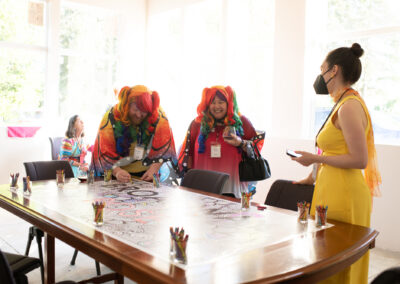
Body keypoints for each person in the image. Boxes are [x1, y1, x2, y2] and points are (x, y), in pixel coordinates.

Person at [291, 43, 381, 284]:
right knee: (325, 255)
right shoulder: (341, 103)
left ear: (334, 71)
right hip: (331, 189)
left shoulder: (349, 106)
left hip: (345, 195)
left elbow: (359, 160)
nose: (320, 75)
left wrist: (315, 158)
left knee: (339, 261)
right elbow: (334, 149)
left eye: (323, 69)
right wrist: (312, 176)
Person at [178, 85, 265, 198]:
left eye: (221, 102)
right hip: (201, 187)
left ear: (229, 104)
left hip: (232, 188)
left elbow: (255, 151)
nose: (216, 106)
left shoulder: (241, 123)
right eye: (212, 102)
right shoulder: (197, 123)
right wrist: (189, 184)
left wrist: (240, 143)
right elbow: (188, 154)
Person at [91, 85, 177, 182]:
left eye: (144, 112)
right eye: (135, 110)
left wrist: (153, 169)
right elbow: (104, 151)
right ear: (127, 106)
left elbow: (164, 148)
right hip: (118, 174)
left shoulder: (158, 114)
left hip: (146, 173)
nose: (139, 115)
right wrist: (117, 172)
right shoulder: (111, 117)